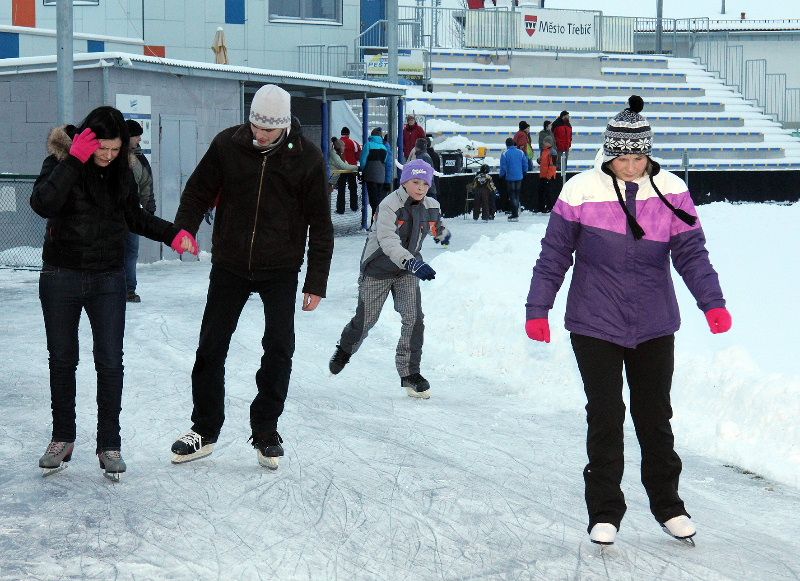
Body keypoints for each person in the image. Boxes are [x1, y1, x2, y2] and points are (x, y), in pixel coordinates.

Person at [524, 96, 732, 546]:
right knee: (605, 414)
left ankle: (668, 506)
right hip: (594, 320)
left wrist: (711, 302)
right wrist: (537, 308)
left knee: (654, 415)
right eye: (623, 157)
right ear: (609, 153)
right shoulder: (579, 189)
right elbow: (555, 254)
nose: (631, 166)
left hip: (655, 321)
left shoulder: (673, 190)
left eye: (639, 157)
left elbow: (692, 254)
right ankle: (604, 511)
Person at [168, 84, 334, 470]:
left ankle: (266, 428)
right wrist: (184, 229)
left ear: (283, 127)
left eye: (268, 130)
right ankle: (204, 430)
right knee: (211, 346)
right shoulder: (228, 144)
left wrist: (316, 282)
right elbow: (197, 191)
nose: (259, 134)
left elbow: (321, 226)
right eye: (255, 125)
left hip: (280, 267)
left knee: (279, 347)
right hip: (230, 262)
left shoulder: (307, 158)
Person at [30, 106, 198, 479]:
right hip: (61, 275)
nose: (107, 156)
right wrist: (73, 161)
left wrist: (173, 234)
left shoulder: (120, 172)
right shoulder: (60, 161)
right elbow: (42, 204)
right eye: (102, 148)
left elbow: (134, 216)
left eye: (114, 149)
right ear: (87, 141)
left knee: (109, 361)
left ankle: (109, 443)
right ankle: (63, 437)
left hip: (107, 278)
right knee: (62, 360)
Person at [328, 159, 451, 399]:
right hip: (378, 268)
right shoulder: (389, 205)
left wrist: (443, 236)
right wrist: (413, 262)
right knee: (366, 321)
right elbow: (388, 241)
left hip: (406, 271)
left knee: (414, 319)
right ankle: (345, 349)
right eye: (415, 182)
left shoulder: (431, 205)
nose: (420, 187)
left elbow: (436, 227)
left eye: (425, 183)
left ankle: (410, 373)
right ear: (405, 182)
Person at [123, 119, 156, 303]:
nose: (139, 140)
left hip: (132, 215)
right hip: (113, 216)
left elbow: (146, 184)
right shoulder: (112, 157)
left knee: (130, 252)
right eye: (136, 136)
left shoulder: (139, 159)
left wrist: (149, 208)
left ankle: (129, 289)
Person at [359, 127, 389, 226]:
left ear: (372, 135)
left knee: (373, 200)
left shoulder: (368, 145)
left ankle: (375, 222)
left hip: (370, 175)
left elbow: (363, 160)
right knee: (378, 198)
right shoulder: (384, 147)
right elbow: (384, 161)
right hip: (381, 176)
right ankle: (377, 222)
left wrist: (362, 169)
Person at [499, 136, 528, 221]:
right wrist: (524, 172)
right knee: (517, 194)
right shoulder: (521, 152)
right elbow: (525, 164)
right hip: (519, 177)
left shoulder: (505, 153)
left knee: (512, 196)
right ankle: (517, 211)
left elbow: (503, 167)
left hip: (510, 177)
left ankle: (514, 214)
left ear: (506, 144)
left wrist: (501, 175)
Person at [330, 137, 358, 208]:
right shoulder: (334, 155)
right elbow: (344, 166)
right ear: (339, 147)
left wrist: (354, 168)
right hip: (332, 177)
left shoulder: (339, 154)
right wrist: (357, 167)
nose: (345, 148)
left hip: (336, 176)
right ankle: (349, 206)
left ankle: (342, 208)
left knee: (343, 188)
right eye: (343, 146)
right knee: (342, 188)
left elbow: (346, 165)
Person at [338, 127, 361, 212]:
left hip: (340, 168)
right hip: (351, 168)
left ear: (341, 133)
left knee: (341, 188)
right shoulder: (353, 143)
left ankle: (340, 209)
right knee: (353, 187)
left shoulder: (336, 143)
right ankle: (354, 206)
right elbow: (358, 154)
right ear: (348, 134)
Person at [536, 135, 558, 213]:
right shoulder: (544, 151)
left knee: (548, 193)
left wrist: (549, 176)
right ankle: (541, 207)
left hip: (548, 176)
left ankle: (550, 207)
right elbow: (543, 161)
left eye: (545, 142)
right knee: (541, 192)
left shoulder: (553, 152)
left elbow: (553, 166)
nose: (543, 143)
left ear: (549, 143)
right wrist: (539, 160)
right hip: (543, 175)